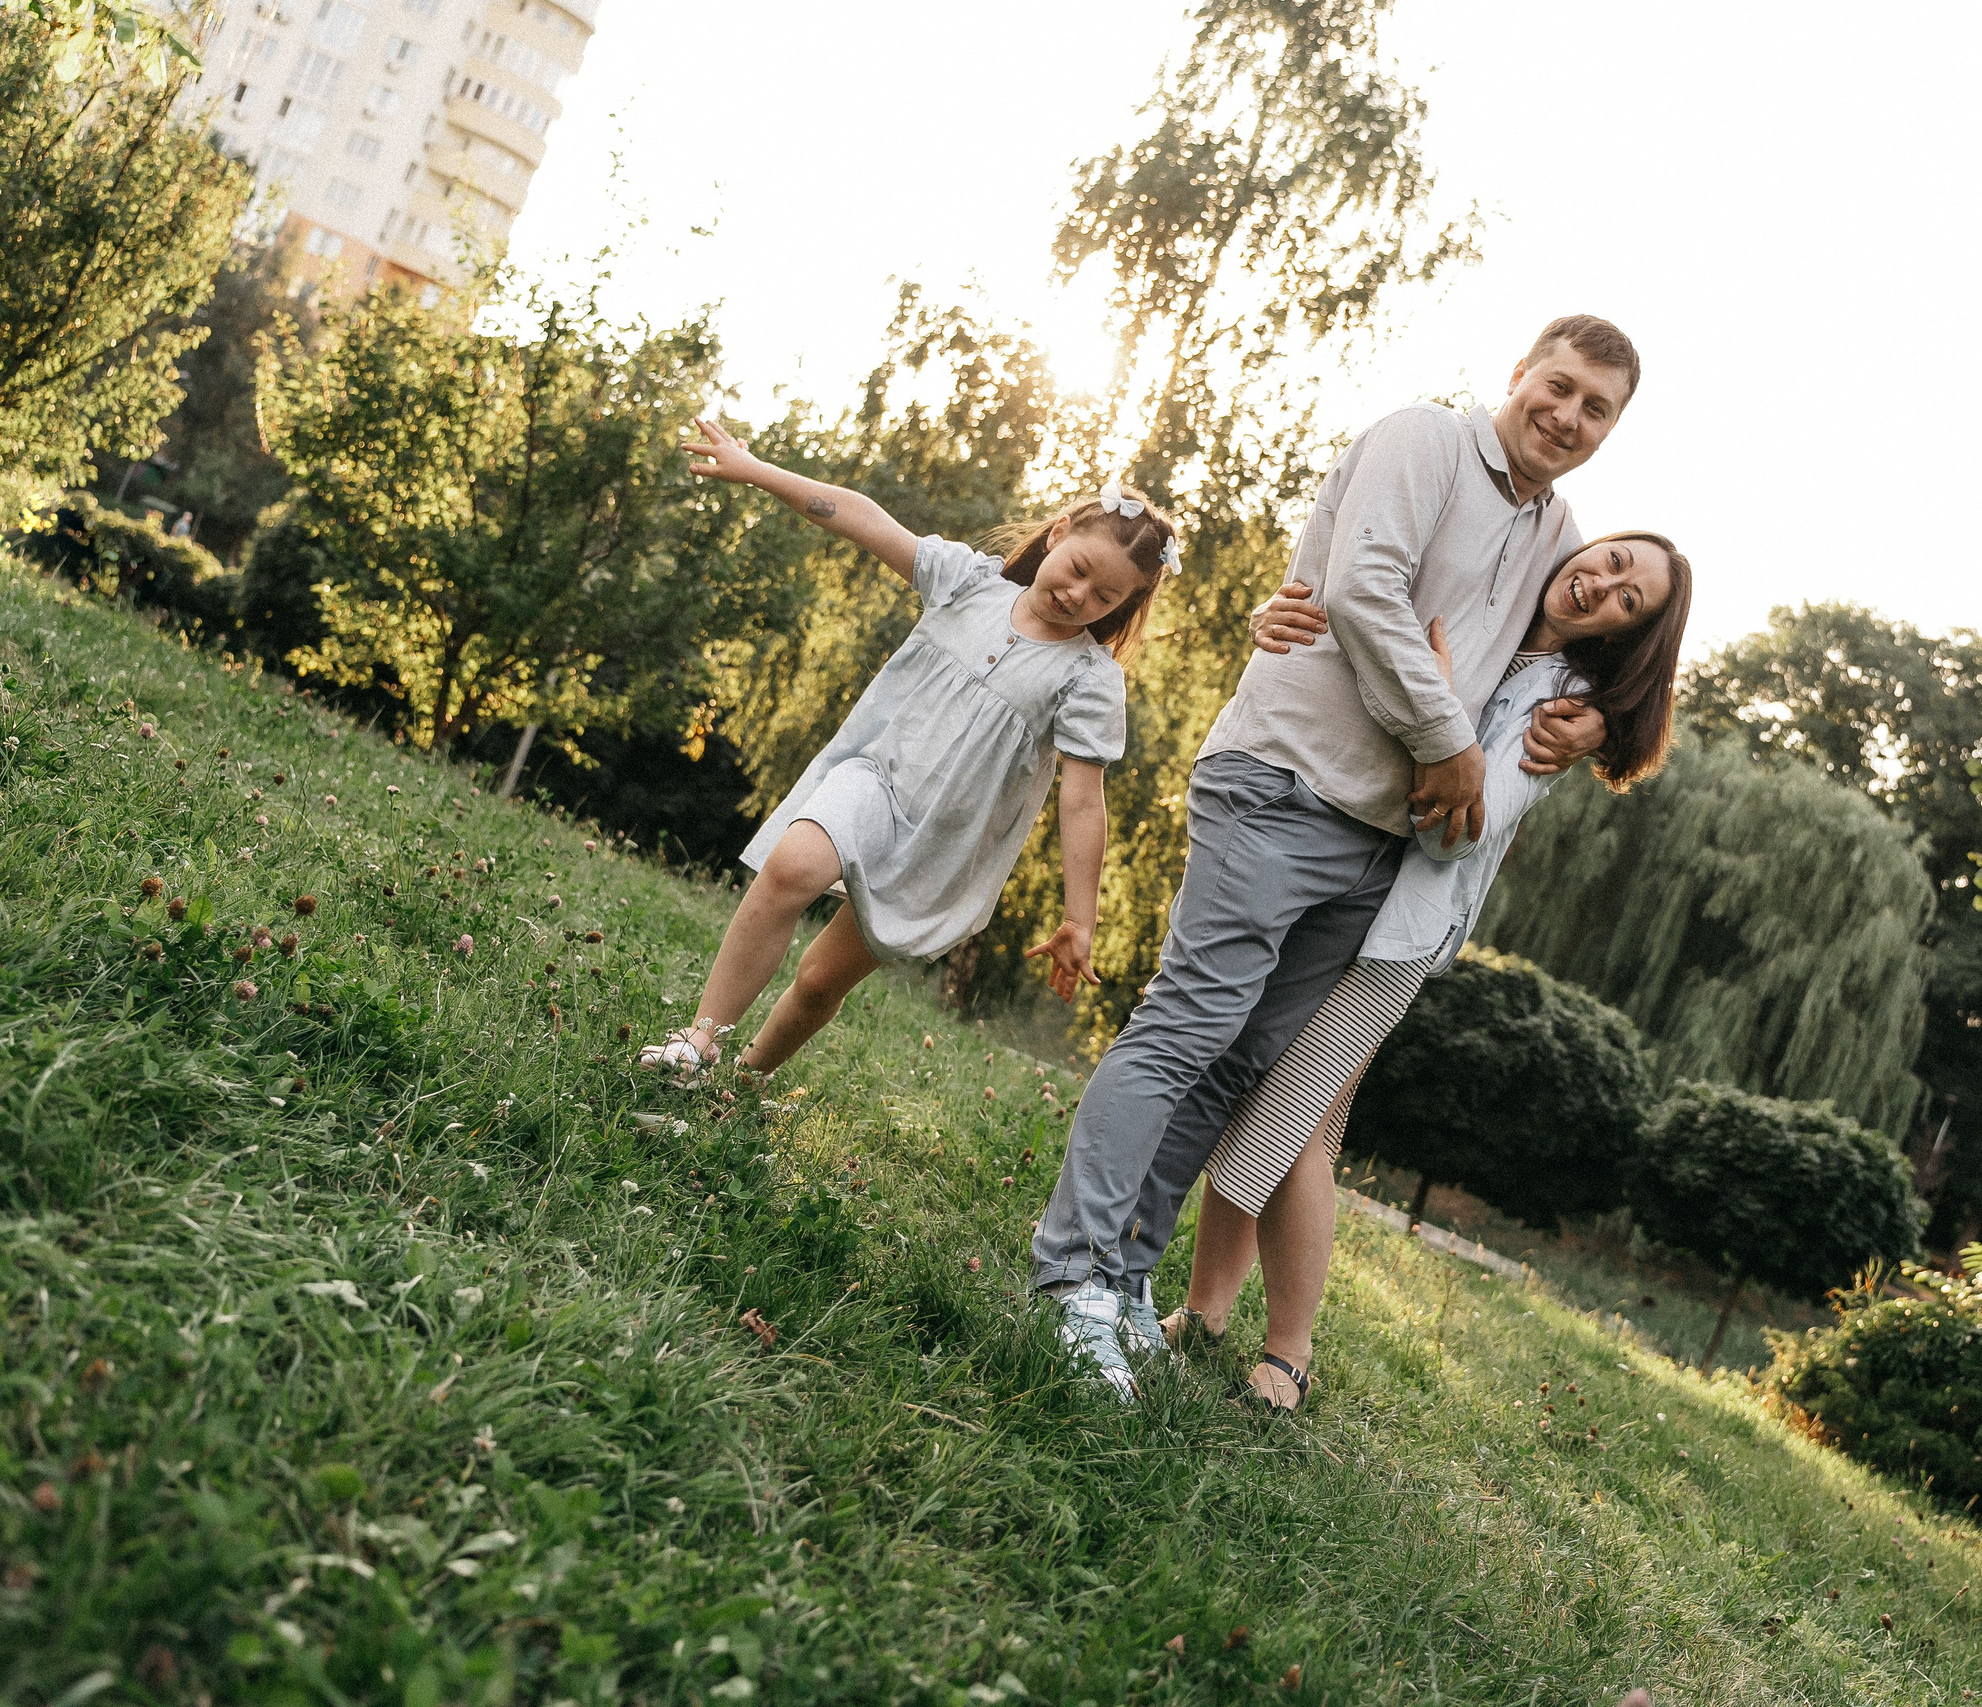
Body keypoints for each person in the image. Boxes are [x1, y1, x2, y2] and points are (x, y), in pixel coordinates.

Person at [1030, 315, 1644, 1399]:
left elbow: (1602, 640)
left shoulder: (1559, 531)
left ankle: (1126, 1277)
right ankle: (1067, 1282)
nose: (1567, 416)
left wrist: (1599, 725)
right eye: (1557, 387)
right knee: (1187, 1029)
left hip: (1377, 843)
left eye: (1596, 408)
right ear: (1518, 372)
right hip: (1282, 781)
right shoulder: (1423, 441)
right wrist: (1449, 747)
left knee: (1237, 1066)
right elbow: (1360, 590)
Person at [1170, 529, 1692, 1407]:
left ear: (1625, 638)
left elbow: (1468, 823)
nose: (1601, 587)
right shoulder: (1493, 601)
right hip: (1336, 876)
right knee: (1273, 1096)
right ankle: (1208, 1311)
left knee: (1292, 1119)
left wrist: (1442, 706)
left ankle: (1287, 1353)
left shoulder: (1560, 701)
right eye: (1610, 561)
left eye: (1628, 601)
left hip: (1395, 928)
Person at [638, 419, 1179, 1082]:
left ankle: (750, 1077)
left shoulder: (1088, 678)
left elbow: (1082, 799)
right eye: (1079, 571)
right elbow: (866, 520)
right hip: (873, 778)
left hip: (940, 846)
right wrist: (756, 469)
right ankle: (699, 1042)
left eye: (1106, 596)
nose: (1078, 595)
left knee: (816, 981)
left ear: (1126, 603)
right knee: (791, 868)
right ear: (1060, 534)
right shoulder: (967, 584)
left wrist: (1079, 916)